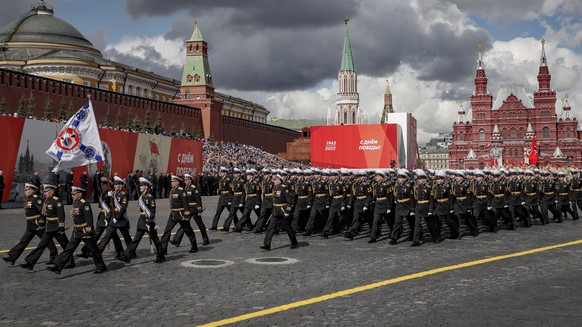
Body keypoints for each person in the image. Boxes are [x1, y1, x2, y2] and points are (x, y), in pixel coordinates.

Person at [47, 186, 107, 274]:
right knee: (68, 249)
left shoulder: (84, 204)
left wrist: (89, 231)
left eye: (74, 194)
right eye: (72, 194)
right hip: (77, 230)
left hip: (84, 231)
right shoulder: (75, 203)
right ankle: (58, 266)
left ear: (80, 194)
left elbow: (89, 219)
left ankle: (101, 267)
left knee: (94, 250)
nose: (72, 196)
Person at [20, 182, 74, 270]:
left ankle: (70, 262)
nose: (45, 193)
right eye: (44, 192)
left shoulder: (57, 201)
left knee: (65, 246)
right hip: (49, 227)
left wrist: (61, 226)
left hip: (56, 227)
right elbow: (43, 213)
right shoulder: (47, 201)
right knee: (41, 245)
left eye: (47, 191)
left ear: (52, 191)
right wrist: (41, 222)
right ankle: (30, 262)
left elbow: (61, 214)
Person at [2, 182, 58, 265]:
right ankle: (12, 258)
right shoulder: (29, 198)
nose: (25, 191)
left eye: (27, 190)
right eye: (25, 190)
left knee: (47, 241)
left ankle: (54, 258)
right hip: (31, 225)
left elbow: (43, 211)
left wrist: (41, 223)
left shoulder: (36, 199)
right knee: (23, 241)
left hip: (37, 225)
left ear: (33, 190)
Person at [119, 177, 164, 263]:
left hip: (148, 221)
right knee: (136, 239)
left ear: (146, 187)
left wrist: (150, 221)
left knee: (155, 239)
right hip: (141, 221)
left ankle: (161, 255)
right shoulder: (141, 197)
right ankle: (127, 256)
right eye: (140, 186)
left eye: (142, 186)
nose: (140, 187)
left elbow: (153, 211)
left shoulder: (150, 197)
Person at [160, 175, 198, 254]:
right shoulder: (172, 191)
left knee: (188, 231)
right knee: (167, 231)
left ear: (177, 182)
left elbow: (185, 204)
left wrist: (187, 215)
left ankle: (194, 246)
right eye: (171, 181)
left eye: (173, 181)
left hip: (181, 214)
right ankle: (163, 250)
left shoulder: (181, 191)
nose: (171, 183)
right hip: (173, 213)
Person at [260, 173, 298, 250]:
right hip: (275, 211)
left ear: (280, 180)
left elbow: (289, 201)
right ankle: (267, 244)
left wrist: (287, 211)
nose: (274, 180)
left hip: (283, 211)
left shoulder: (284, 188)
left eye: (276, 179)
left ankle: (294, 242)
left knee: (288, 228)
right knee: (270, 227)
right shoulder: (275, 188)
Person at [97, 176, 132, 257]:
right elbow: (109, 206)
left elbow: (123, 208)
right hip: (113, 219)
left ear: (121, 185)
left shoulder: (124, 194)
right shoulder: (113, 193)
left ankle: (131, 252)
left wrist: (117, 217)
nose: (115, 186)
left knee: (126, 237)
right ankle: (98, 252)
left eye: (117, 185)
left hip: (121, 219)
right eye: (114, 185)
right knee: (107, 235)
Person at [171, 173, 209, 246]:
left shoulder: (194, 188)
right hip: (188, 209)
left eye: (186, 180)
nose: (185, 181)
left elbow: (198, 199)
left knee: (200, 224)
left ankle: (205, 239)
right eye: (184, 180)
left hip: (194, 209)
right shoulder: (185, 188)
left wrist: (199, 209)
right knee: (184, 225)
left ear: (190, 180)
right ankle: (176, 240)